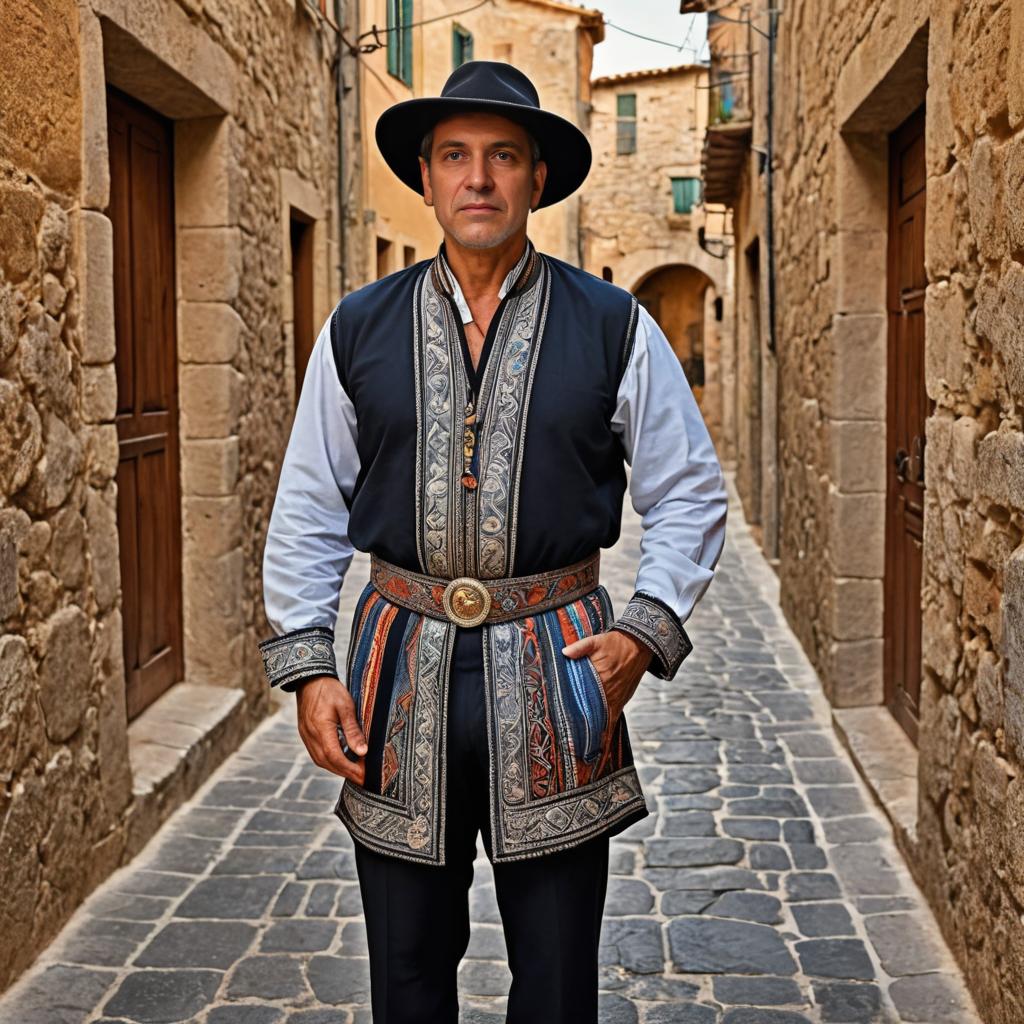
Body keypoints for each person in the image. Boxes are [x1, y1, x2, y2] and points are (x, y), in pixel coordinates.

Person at [258, 61, 727, 1024]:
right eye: (456, 156)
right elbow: (308, 505)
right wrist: (309, 669)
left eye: (503, 157)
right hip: (396, 676)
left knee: (556, 982)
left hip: (560, 673)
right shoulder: (358, 329)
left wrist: (642, 634)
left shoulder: (613, 326)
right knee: (408, 971)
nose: (479, 180)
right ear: (424, 178)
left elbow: (690, 494)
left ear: (537, 179)